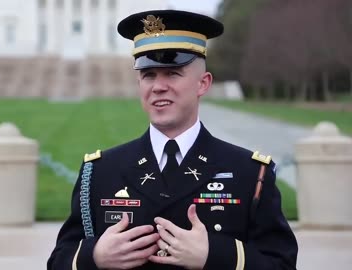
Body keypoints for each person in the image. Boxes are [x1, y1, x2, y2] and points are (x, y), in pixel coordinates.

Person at [47, 9, 298, 270]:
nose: (158, 86)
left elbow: (281, 263)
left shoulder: (249, 172)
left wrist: (215, 256)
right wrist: (95, 256)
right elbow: (58, 261)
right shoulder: (100, 171)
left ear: (203, 83)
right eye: (149, 75)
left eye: (173, 73)